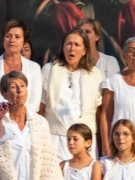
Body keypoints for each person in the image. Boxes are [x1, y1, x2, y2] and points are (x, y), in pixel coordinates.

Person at [40, 28, 104, 160]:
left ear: (84, 50)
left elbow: (98, 112)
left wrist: (102, 145)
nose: (72, 48)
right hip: (55, 141)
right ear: (63, 47)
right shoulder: (49, 70)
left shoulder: (95, 74)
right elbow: (40, 109)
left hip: (86, 144)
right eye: (68, 44)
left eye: (77, 45)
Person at [0, 19, 43, 121]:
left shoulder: (34, 68)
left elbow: (34, 103)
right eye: (8, 36)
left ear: (24, 41)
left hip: (22, 128)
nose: (12, 40)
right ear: (3, 39)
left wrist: (16, 120)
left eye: (17, 37)